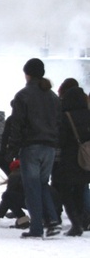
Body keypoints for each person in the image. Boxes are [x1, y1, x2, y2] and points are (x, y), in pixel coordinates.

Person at [6, 58, 62, 238]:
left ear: (27, 74)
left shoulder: (23, 95)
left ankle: (37, 228)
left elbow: (17, 124)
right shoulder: (53, 96)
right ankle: (52, 220)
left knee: (31, 188)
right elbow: (58, 123)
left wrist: (12, 148)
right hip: (50, 147)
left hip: (31, 146)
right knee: (43, 184)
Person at [52, 86, 90, 236]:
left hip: (68, 159)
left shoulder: (65, 116)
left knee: (65, 192)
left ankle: (75, 223)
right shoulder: (88, 114)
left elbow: (60, 139)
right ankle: (81, 220)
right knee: (81, 190)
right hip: (85, 159)